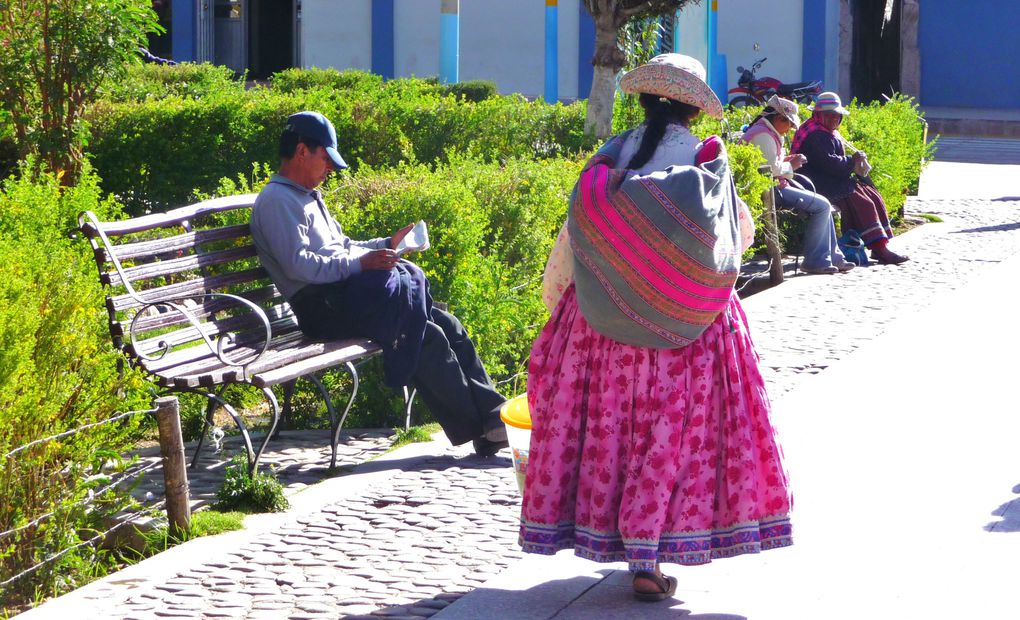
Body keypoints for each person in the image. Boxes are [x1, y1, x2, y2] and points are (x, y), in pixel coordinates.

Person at [519, 54, 793, 602]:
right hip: (691, 329)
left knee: (613, 432)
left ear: (641, 99)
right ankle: (652, 550)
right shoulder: (707, 159)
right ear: (695, 108)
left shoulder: (610, 158)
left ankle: (626, 546)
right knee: (670, 437)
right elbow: (732, 239)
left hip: (603, 326)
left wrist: (562, 308)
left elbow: (575, 239)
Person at [249, 111, 509, 456]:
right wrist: (359, 264)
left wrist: (385, 245)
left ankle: (494, 417)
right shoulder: (277, 201)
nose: (330, 170)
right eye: (326, 159)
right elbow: (301, 267)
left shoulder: (306, 195)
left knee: (446, 323)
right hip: (322, 308)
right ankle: (482, 429)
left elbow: (341, 247)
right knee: (424, 334)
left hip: (345, 298)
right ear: (301, 151)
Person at [792, 92, 909, 265]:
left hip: (833, 179)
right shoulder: (816, 135)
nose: (834, 119)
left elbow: (835, 163)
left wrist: (852, 162)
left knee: (872, 195)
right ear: (819, 115)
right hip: (819, 183)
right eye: (829, 115)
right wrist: (852, 160)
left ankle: (878, 247)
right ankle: (879, 249)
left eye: (837, 116)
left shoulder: (827, 132)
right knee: (865, 204)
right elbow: (828, 163)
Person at [742, 94, 854, 274]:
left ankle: (833, 256)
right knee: (822, 205)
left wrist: (787, 161)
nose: (789, 130)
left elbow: (770, 163)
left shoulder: (766, 132)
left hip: (775, 187)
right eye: (788, 124)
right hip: (770, 191)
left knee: (823, 203)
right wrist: (790, 165)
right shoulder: (763, 135)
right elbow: (770, 170)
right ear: (779, 118)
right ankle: (815, 260)